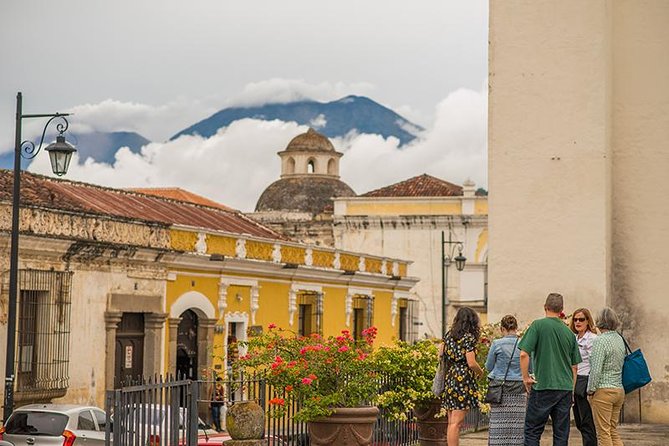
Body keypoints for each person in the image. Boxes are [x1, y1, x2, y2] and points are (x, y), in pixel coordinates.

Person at [518, 293, 581, 446]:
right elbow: (574, 367)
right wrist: (571, 391)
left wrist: (526, 378)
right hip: (564, 388)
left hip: (543, 386)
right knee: (561, 434)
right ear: (562, 310)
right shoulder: (569, 333)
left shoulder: (538, 326)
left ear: (545, 307)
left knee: (532, 431)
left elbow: (523, 354)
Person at [441, 306, 485, 446]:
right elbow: (471, 363)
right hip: (463, 380)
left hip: (450, 378)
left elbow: (440, 354)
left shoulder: (448, 335)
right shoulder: (468, 338)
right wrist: (481, 372)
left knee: (451, 422)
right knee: (456, 422)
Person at [485, 315, 526, 446]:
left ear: (502, 328)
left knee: (498, 423)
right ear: (516, 328)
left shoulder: (497, 344)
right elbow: (530, 367)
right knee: (517, 424)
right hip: (519, 387)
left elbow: (488, 366)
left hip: (499, 389)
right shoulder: (523, 344)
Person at [587, 307, 626, 446]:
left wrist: (590, 390)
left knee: (603, 433)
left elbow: (596, 370)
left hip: (603, 391)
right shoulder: (619, 339)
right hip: (619, 390)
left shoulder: (600, 341)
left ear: (599, 321)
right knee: (612, 431)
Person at [570, 308, 598, 446]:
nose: (577, 322)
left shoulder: (592, 339)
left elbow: (595, 363)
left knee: (586, 421)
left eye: (581, 319)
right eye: (575, 319)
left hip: (585, 379)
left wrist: (591, 387)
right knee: (579, 421)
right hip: (575, 379)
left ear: (588, 321)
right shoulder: (574, 337)